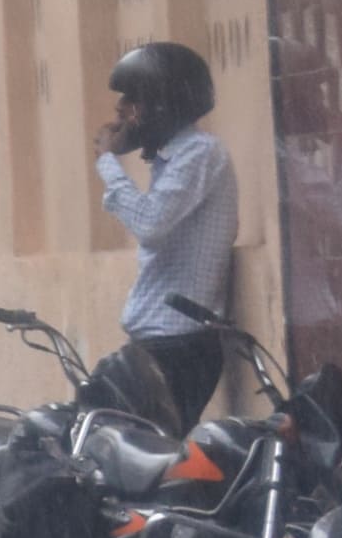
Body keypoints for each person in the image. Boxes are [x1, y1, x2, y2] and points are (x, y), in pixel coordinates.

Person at [89, 42, 237, 429]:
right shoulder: (172, 159)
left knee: (149, 453)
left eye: (131, 99)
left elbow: (151, 225)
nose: (121, 110)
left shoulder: (200, 153)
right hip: (156, 344)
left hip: (178, 346)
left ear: (159, 104)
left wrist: (107, 162)